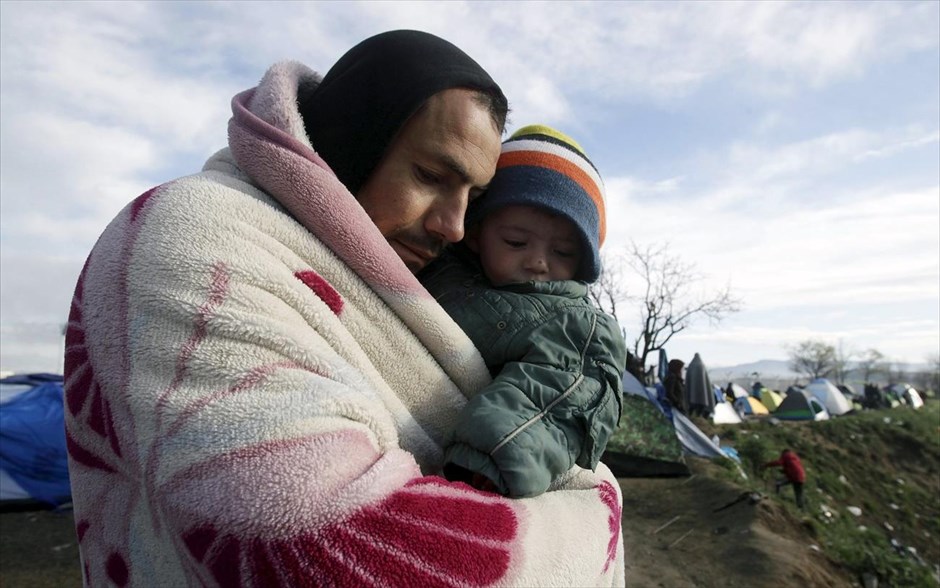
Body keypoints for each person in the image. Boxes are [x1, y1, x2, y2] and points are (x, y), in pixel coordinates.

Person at [63, 30, 626, 586]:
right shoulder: (192, 235)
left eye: (473, 201)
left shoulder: (397, 279)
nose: (453, 228)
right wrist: (597, 508)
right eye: (431, 176)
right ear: (358, 136)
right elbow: (322, 545)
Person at [420, 125, 626, 499]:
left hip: (472, 473)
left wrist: (490, 459)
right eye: (516, 241)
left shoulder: (577, 325)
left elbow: (554, 399)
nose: (537, 261)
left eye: (563, 252)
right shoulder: (439, 262)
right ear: (476, 232)